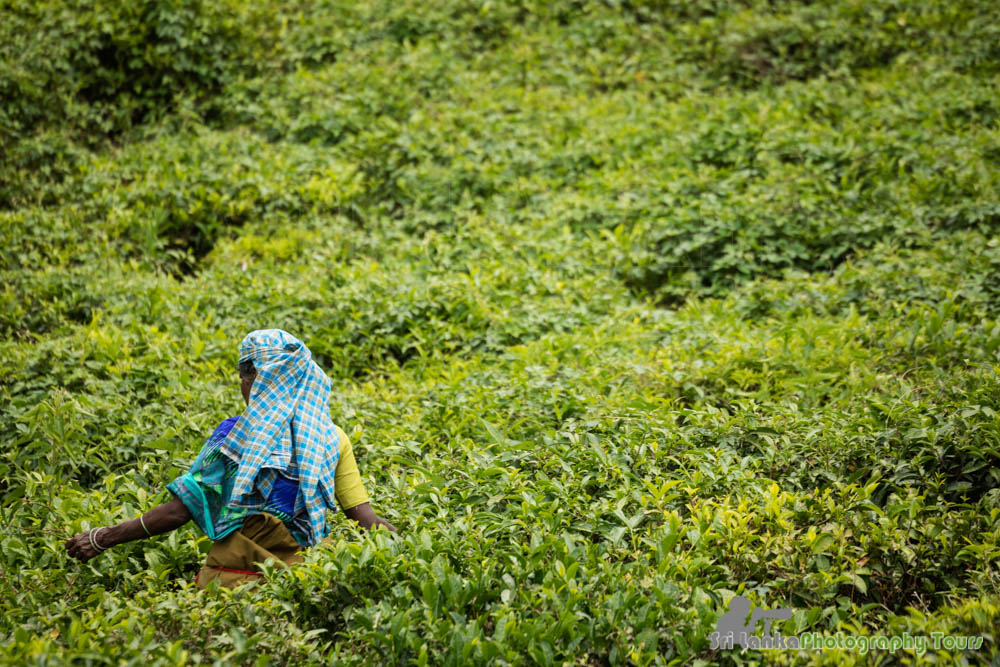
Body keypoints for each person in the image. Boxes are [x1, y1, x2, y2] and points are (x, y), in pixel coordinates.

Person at [65, 329, 395, 588]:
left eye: (243, 375)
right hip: (302, 584)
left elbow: (180, 510)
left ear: (257, 380)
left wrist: (102, 537)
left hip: (232, 583)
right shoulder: (332, 438)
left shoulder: (236, 438)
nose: (241, 383)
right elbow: (364, 519)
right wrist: (410, 547)